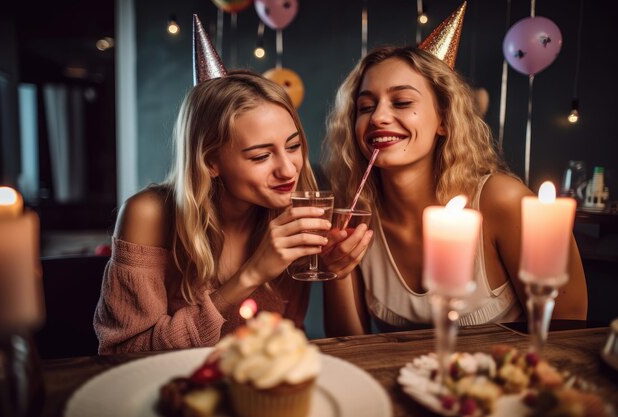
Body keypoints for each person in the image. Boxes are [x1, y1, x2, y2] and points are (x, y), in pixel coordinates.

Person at [321, 45, 588, 336]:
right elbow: (347, 346)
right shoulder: (355, 215)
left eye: (401, 102)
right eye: (366, 107)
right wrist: (336, 271)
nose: (378, 117)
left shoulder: (502, 201)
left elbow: (568, 333)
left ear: (444, 120)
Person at [94, 70, 332, 354]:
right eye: (261, 156)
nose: (289, 169)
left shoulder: (290, 209)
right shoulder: (148, 215)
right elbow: (125, 353)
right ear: (210, 162)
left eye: (293, 146)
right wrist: (251, 274)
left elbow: (289, 336)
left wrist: (337, 268)